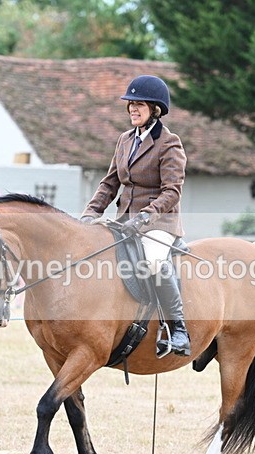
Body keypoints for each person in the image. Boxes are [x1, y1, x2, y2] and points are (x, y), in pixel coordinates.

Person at [80, 75, 191, 356]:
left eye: (139, 105)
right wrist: (90, 213)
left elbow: (172, 192)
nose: (132, 109)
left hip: (158, 222)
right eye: (130, 104)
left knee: (153, 261)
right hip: (124, 220)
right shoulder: (125, 140)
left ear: (155, 109)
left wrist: (145, 216)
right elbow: (110, 183)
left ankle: (179, 330)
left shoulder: (170, 144)